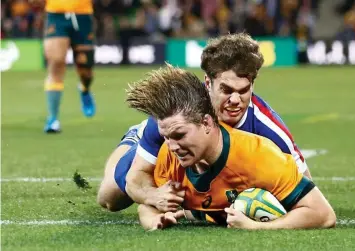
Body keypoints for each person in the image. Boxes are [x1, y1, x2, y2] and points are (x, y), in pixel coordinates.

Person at [97, 33, 311, 212]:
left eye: (243, 90)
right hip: (166, 143)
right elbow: (137, 177)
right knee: (110, 199)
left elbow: (306, 188)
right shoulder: (177, 111)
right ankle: (134, 138)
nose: (235, 100)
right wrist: (152, 195)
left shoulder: (269, 129)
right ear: (208, 83)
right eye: (226, 90)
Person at [126, 64, 336, 230]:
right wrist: (155, 220)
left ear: (207, 123)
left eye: (179, 135)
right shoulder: (169, 151)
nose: (172, 146)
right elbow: (147, 205)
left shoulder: (260, 157)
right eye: (167, 137)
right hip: (140, 151)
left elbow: (323, 214)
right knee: (109, 196)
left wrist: (256, 227)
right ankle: (132, 139)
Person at [37, 0, 96, 133]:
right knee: (56, 61)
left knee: (86, 70)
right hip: (56, 15)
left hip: (83, 16)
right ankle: (53, 118)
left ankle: (85, 88)